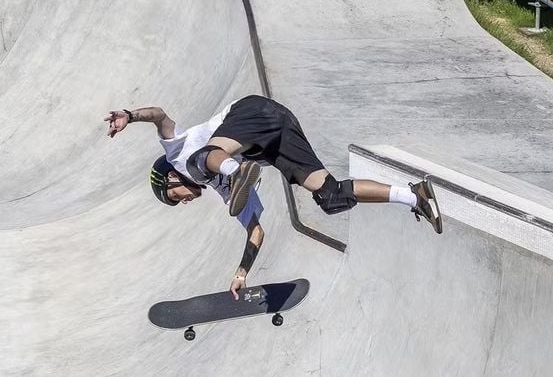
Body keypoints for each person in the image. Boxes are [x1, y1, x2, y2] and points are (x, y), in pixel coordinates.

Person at [104, 95, 441, 298]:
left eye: (176, 197)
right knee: (331, 196)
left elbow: (160, 115)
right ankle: (414, 195)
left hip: (249, 113)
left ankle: (237, 170)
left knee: (199, 161)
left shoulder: (176, 154)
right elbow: (256, 231)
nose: (185, 201)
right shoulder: (222, 194)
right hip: (278, 133)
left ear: (170, 178)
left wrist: (130, 116)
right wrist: (242, 272)